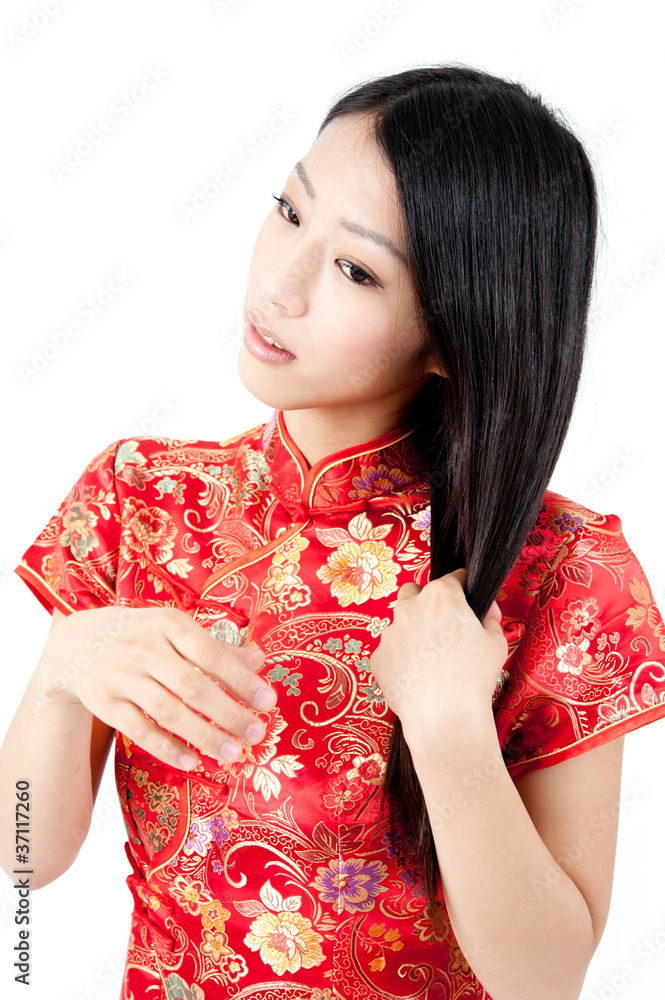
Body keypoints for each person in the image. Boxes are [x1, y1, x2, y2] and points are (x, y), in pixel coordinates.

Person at [2, 64, 665, 1000]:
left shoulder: (564, 571)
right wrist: (62, 672)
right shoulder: (140, 497)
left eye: (356, 269)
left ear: (455, 333)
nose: (280, 285)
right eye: (288, 211)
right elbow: (23, 858)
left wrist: (448, 729)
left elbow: (547, 979)